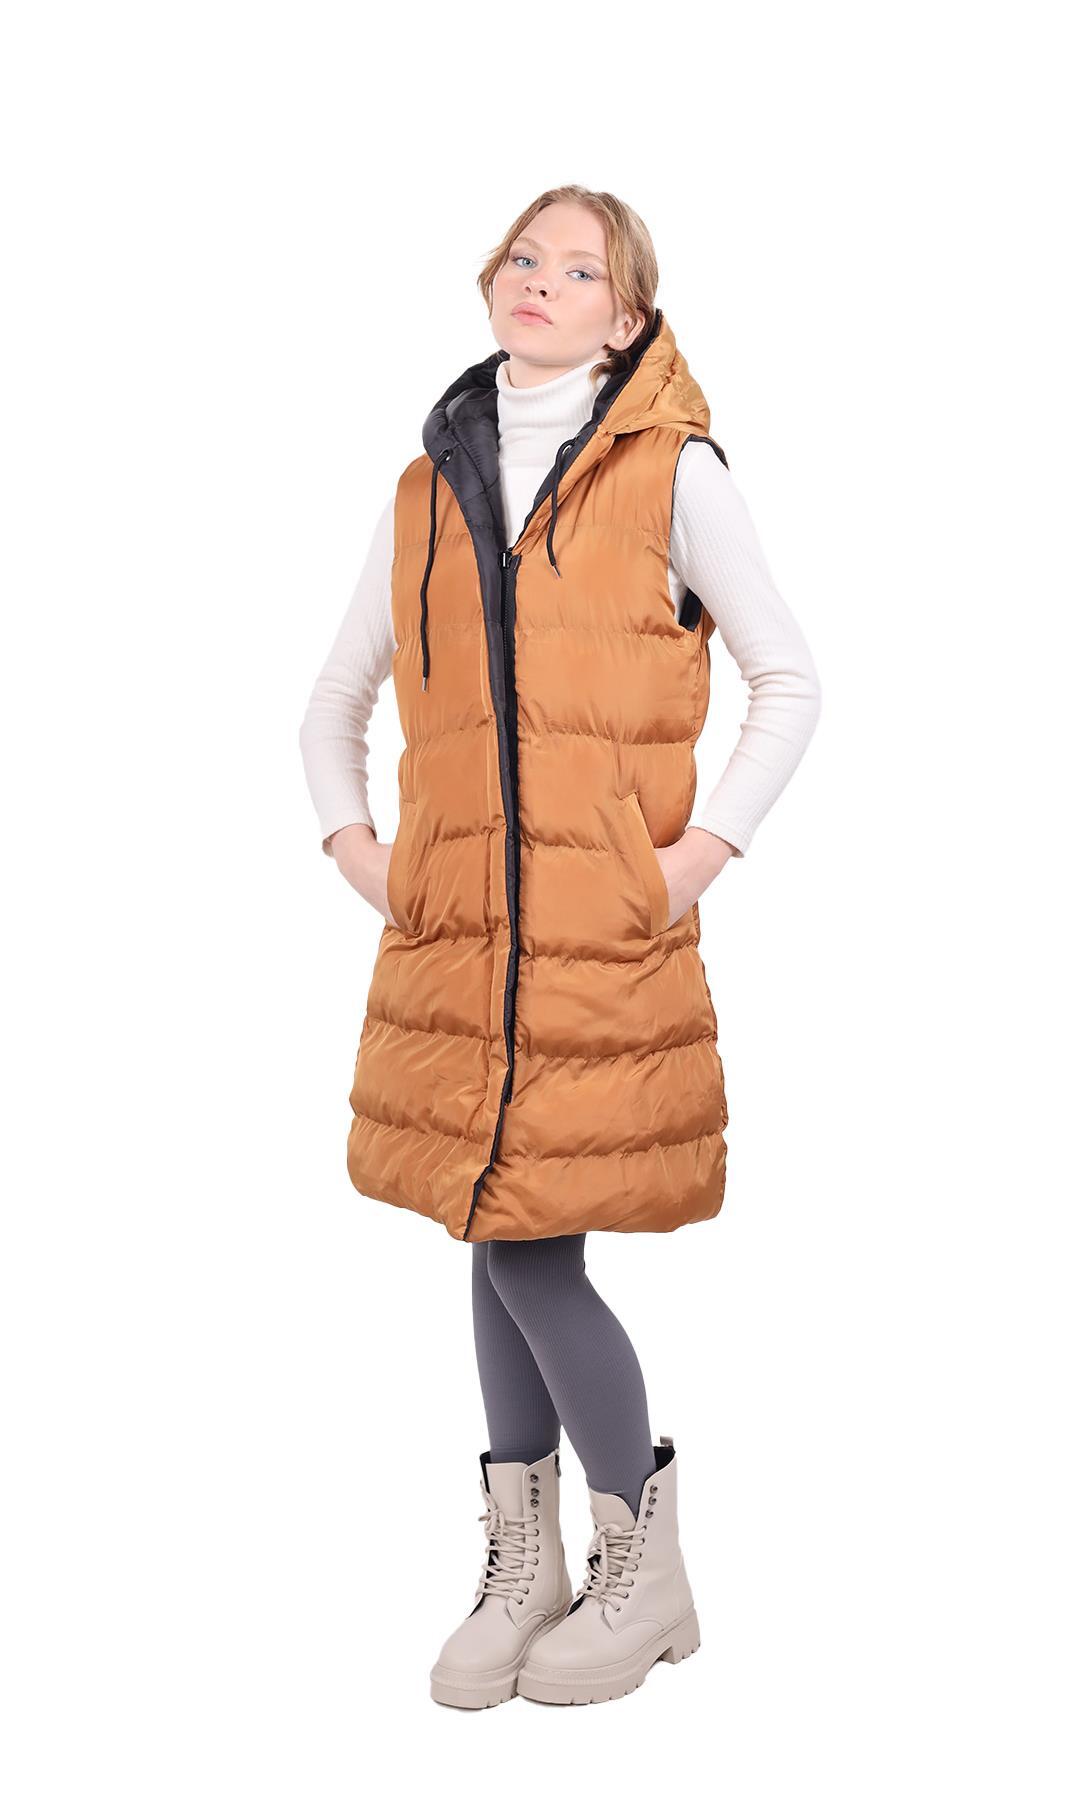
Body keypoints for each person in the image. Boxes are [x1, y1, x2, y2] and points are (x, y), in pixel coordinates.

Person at [299, 186, 822, 1709]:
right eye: (524, 257)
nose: (541, 280)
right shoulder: (427, 487)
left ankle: (644, 1569)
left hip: (600, 944)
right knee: (494, 1222)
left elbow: (790, 678)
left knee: (529, 1243)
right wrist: (357, 847)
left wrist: (697, 857)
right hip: (458, 948)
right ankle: (526, 1568)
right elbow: (335, 696)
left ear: (627, 315)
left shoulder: (674, 473)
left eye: (579, 268)